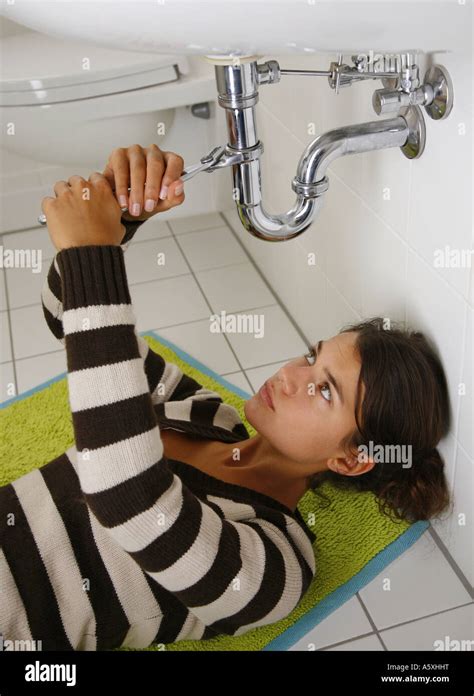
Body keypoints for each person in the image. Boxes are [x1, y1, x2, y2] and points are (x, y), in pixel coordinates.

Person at [0, 144, 451, 651]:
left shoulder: (278, 562)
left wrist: (91, 255)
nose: (289, 375)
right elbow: (69, 318)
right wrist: (122, 219)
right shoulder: (207, 413)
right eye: (310, 357)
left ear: (349, 460)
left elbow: (128, 499)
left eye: (325, 390)